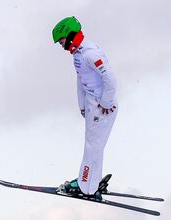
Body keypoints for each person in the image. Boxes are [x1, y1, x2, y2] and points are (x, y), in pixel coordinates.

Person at [52, 16, 117, 200]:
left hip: (101, 106)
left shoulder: (90, 53)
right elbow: (81, 80)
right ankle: (92, 182)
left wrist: (106, 102)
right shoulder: (79, 55)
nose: (61, 45)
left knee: (92, 146)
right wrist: (82, 105)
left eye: (62, 40)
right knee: (94, 146)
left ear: (70, 35)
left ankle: (85, 186)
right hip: (92, 104)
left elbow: (110, 79)